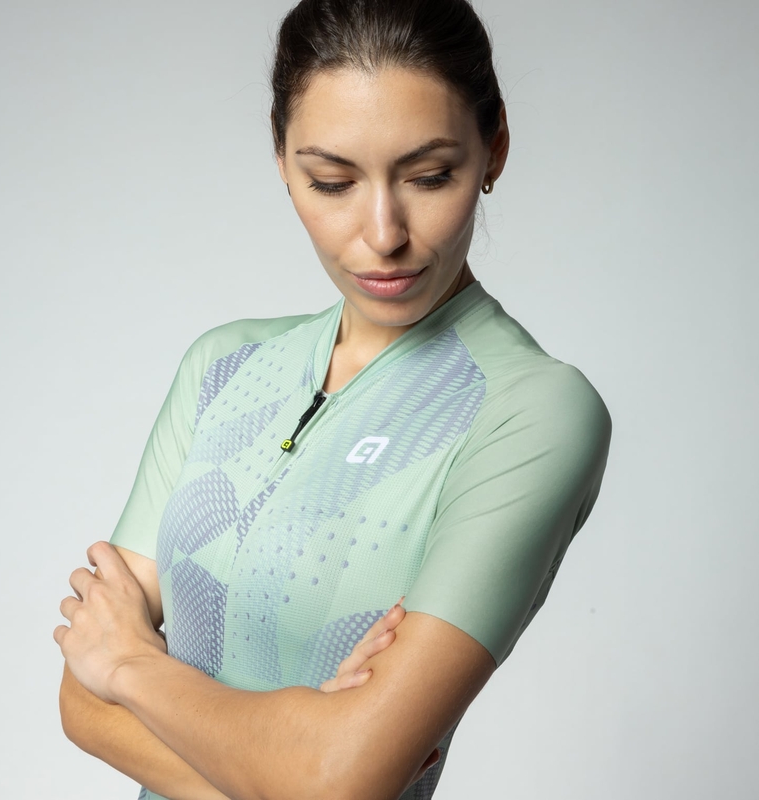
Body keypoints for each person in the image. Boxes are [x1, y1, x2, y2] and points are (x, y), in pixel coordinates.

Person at [55, 1, 613, 799]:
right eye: (332, 182)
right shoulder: (224, 367)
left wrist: (130, 664)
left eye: (429, 176)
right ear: (283, 162)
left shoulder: (534, 411)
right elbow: (80, 701)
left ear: (494, 150)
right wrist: (299, 762)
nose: (382, 234)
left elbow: (336, 780)